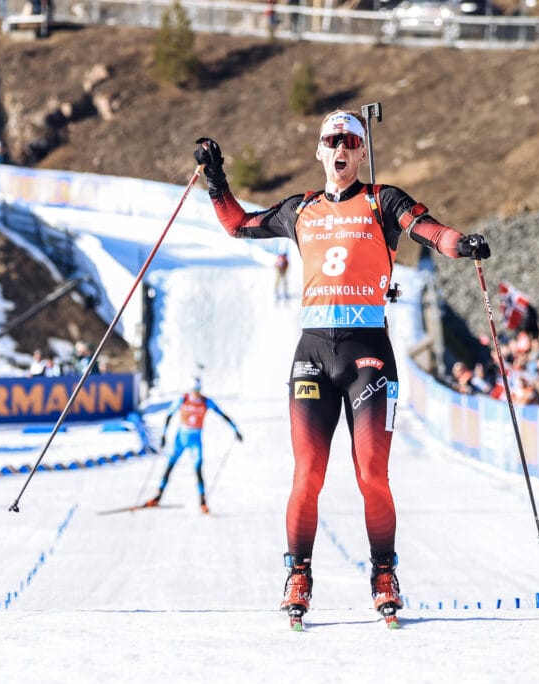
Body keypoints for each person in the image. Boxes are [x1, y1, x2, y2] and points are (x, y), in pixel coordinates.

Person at [193, 110, 491, 623]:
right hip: (312, 354)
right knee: (308, 474)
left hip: (368, 355)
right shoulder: (300, 208)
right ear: (320, 151)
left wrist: (459, 243)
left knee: (372, 473)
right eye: (333, 140)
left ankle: (383, 572)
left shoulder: (382, 200)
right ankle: (299, 574)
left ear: (361, 152)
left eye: (352, 141)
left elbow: (427, 229)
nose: (342, 149)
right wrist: (215, 177)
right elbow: (237, 225)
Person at [142, 376, 243, 514]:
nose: (195, 393)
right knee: (169, 466)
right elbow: (169, 415)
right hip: (181, 438)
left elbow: (222, 414)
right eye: (193, 390)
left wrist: (235, 429)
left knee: (198, 469)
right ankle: (157, 497)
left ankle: (203, 502)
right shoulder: (183, 399)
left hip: (195, 440)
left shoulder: (206, 401)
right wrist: (164, 435)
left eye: (197, 390)